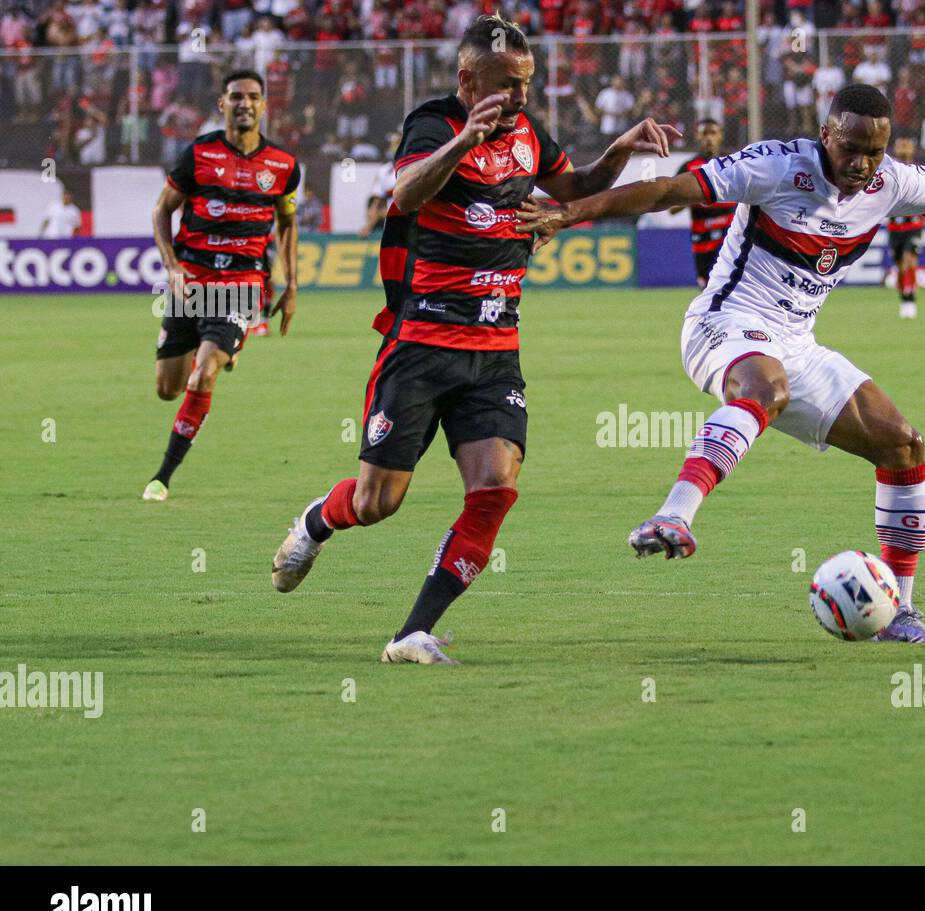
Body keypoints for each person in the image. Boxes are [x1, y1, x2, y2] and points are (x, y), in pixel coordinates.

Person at [519, 85, 925, 646]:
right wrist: (569, 213)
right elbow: (666, 190)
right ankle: (673, 515)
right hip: (724, 323)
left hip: (797, 344)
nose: (860, 164)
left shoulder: (892, 182)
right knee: (765, 385)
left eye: (873, 152)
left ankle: (899, 611)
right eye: (849, 148)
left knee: (903, 444)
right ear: (826, 134)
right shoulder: (777, 166)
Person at [270, 14, 681, 665]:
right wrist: (464, 141)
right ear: (468, 79)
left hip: (494, 352)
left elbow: (574, 187)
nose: (520, 96)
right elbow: (406, 193)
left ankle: (411, 633)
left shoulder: (527, 132)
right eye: (507, 83)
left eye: (527, 82)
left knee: (494, 488)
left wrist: (622, 148)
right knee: (379, 502)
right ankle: (319, 521)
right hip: (422, 347)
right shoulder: (433, 124)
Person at [143, 70, 300, 501]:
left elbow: (288, 224)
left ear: (264, 105)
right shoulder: (198, 154)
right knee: (167, 389)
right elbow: (161, 211)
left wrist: (291, 287)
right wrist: (171, 266)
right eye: (236, 96)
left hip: (242, 282)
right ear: (222, 104)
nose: (244, 103)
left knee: (203, 375)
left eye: (253, 96)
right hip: (191, 281)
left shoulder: (284, 166)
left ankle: (162, 477)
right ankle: (218, 345)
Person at [671, 118, 737, 288]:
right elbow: (671, 207)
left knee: (734, 282)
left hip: (730, 232)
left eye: (713, 133)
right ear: (697, 137)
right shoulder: (689, 167)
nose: (709, 138)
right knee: (706, 285)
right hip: (702, 233)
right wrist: (698, 194)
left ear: (720, 136)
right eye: (704, 134)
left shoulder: (733, 162)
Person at [885, 137, 925, 319]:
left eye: (906, 145)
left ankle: (911, 298)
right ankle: (904, 297)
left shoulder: (919, 172)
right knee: (901, 266)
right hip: (895, 227)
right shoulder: (887, 171)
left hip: (914, 225)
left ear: (912, 149)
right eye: (900, 145)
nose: (903, 148)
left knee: (910, 259)